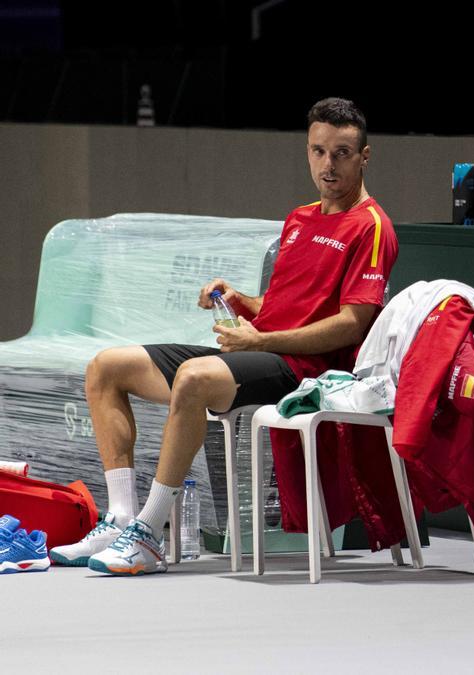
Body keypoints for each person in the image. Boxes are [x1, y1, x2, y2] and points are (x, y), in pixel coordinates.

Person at [48, 97, 399, 576]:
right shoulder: (300, 218)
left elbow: (352, 323)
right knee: (106, 367)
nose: (327, 165)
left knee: (193, 378)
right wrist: (238, 300)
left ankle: (148, 534)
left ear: (364, 156)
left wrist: (260, 342)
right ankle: (121, 517)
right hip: (262, 352)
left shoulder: (372, 226)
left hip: (308, 371)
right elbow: (281, 307)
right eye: (318, 151)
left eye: (340, 153)